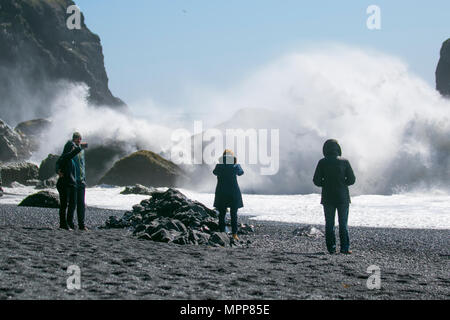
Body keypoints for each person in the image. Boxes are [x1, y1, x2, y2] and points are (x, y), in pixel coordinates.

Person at [313, 139, 356, 254]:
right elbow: (352, 180)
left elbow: (316, 181)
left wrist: (326, 183)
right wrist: (342, 183)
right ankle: (345, 248)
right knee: (343, 224)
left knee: (329, 224)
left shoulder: (322, 162)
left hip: (328, 197)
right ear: (338, 148)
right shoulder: (344, 161)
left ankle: (331, 248)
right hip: (343, 197)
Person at [56, 132, 88, 231]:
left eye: (80, 138)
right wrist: (57, 170)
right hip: (71, 181)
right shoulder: (71, 150)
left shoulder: (81, 151)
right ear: (73, 139)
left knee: (80, 204)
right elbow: (61, 160)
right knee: (70, 204)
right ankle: (69, 223)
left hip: (80, 180)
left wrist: (84, 178)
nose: (79, 140)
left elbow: (82, 165)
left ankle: (81, 225)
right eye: (77, 138)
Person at [213, 149, 244, 241]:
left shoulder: (219, 166)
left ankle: (222, 233)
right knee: (233, 214)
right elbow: (241, 173)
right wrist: (235, 162)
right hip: (233, 193)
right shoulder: (236, 166)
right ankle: (234, 234)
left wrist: (222, 162)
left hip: (221, 193)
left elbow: (214, 172)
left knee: (222, 214)